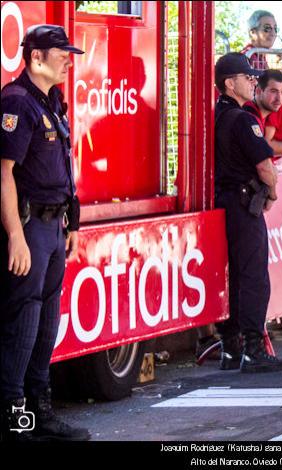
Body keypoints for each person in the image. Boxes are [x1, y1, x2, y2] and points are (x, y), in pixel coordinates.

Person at [1, 24, 89, 441]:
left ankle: (39, 412)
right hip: (30, 226)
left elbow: (61, 169)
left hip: (54, 227)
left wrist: (71, 219)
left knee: (46, 322)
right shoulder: (17, 101)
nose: (68, 59)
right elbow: (3, 176)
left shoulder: (52, 101)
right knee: (23, 321)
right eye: (61, 53)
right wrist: (15, 236)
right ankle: (14, 418)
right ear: (36, 57)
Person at [213, 53, 282, 373]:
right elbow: (266, 169)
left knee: (230, 278)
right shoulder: (244, 119)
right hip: (244, 206)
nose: (252, 82)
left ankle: (230, 348)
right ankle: (254, 349)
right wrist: (271, 193)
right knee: (253, 278)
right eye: (247, 78)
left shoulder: (214, 115)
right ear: (231, 83)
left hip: (219, 204)